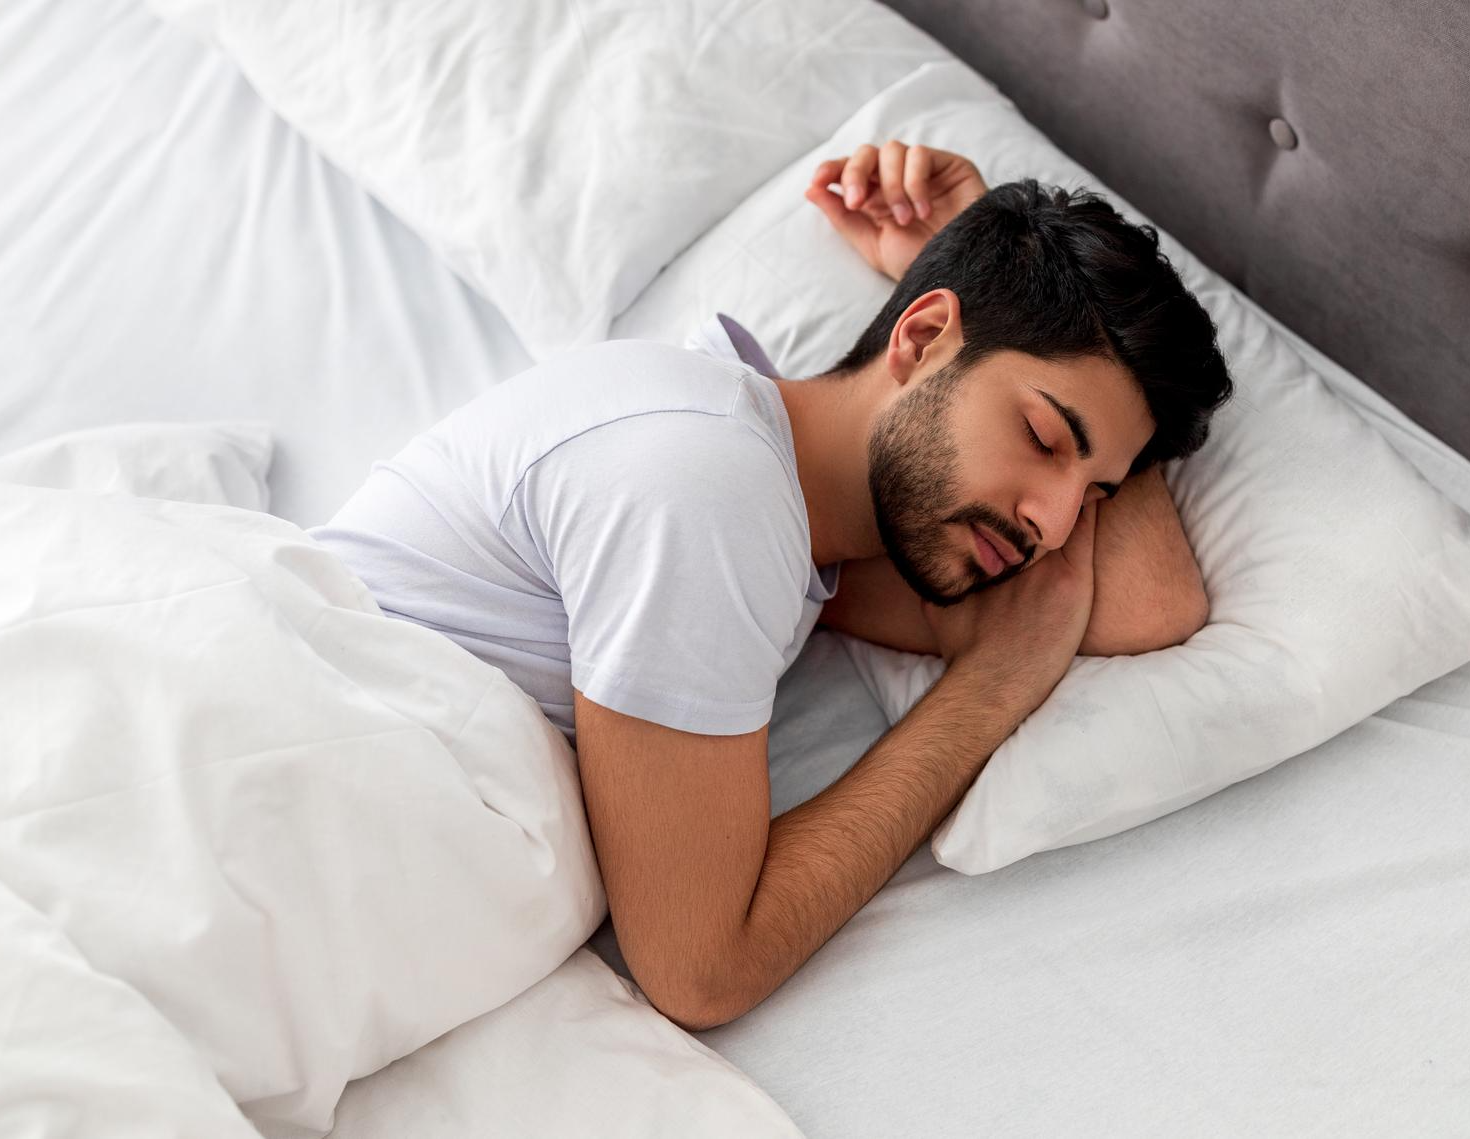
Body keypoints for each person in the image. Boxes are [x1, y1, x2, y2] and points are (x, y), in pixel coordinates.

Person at [308, 142, 1233, 1031]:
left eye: (1097, 492)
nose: (1058, 525)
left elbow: (1149, 607)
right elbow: (699, 967)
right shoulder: (707, 483)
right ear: (919, 336)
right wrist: (987, 692)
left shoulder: (803, 534)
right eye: (1042, 435)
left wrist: (1009, 280)